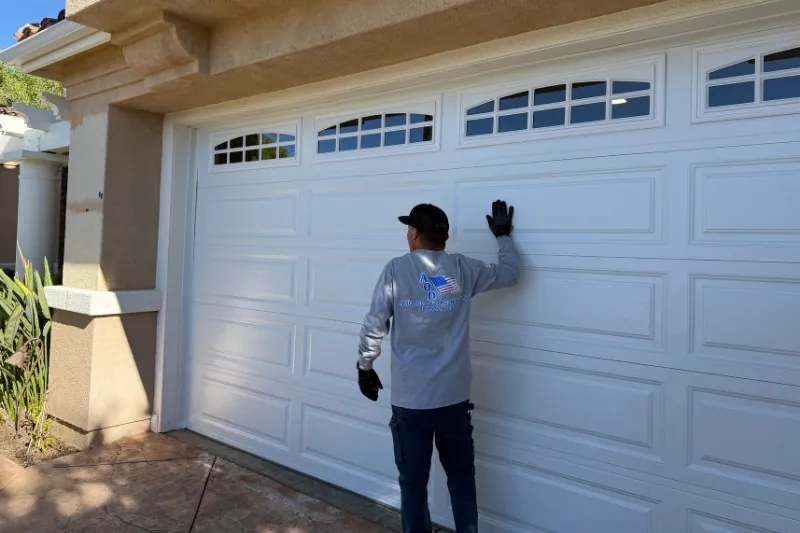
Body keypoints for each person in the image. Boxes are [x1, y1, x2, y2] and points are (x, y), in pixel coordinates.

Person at [355, 200, 520, 533]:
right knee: (461, 479)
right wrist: (503, 237)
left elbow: (375, 322)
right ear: (442, 238)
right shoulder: (463, 269)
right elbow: (510, 274)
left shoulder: (396, 270)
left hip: (411, 403)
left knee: (413, 484)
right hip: (453, 402)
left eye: (408, 228)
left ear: (414, 234)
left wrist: (365, 364)